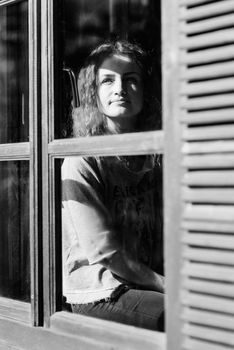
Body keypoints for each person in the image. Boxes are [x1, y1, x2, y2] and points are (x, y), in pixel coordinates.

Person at [62, 40, 164, 332]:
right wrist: (166, 284)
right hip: (101, 290)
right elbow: (105, 252)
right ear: (93, 93)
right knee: (186, 315)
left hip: (144, 280)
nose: (119, 88)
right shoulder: (82, 160)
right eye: (107, 80)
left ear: (145, 91)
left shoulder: (155, 153)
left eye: (131, 80)